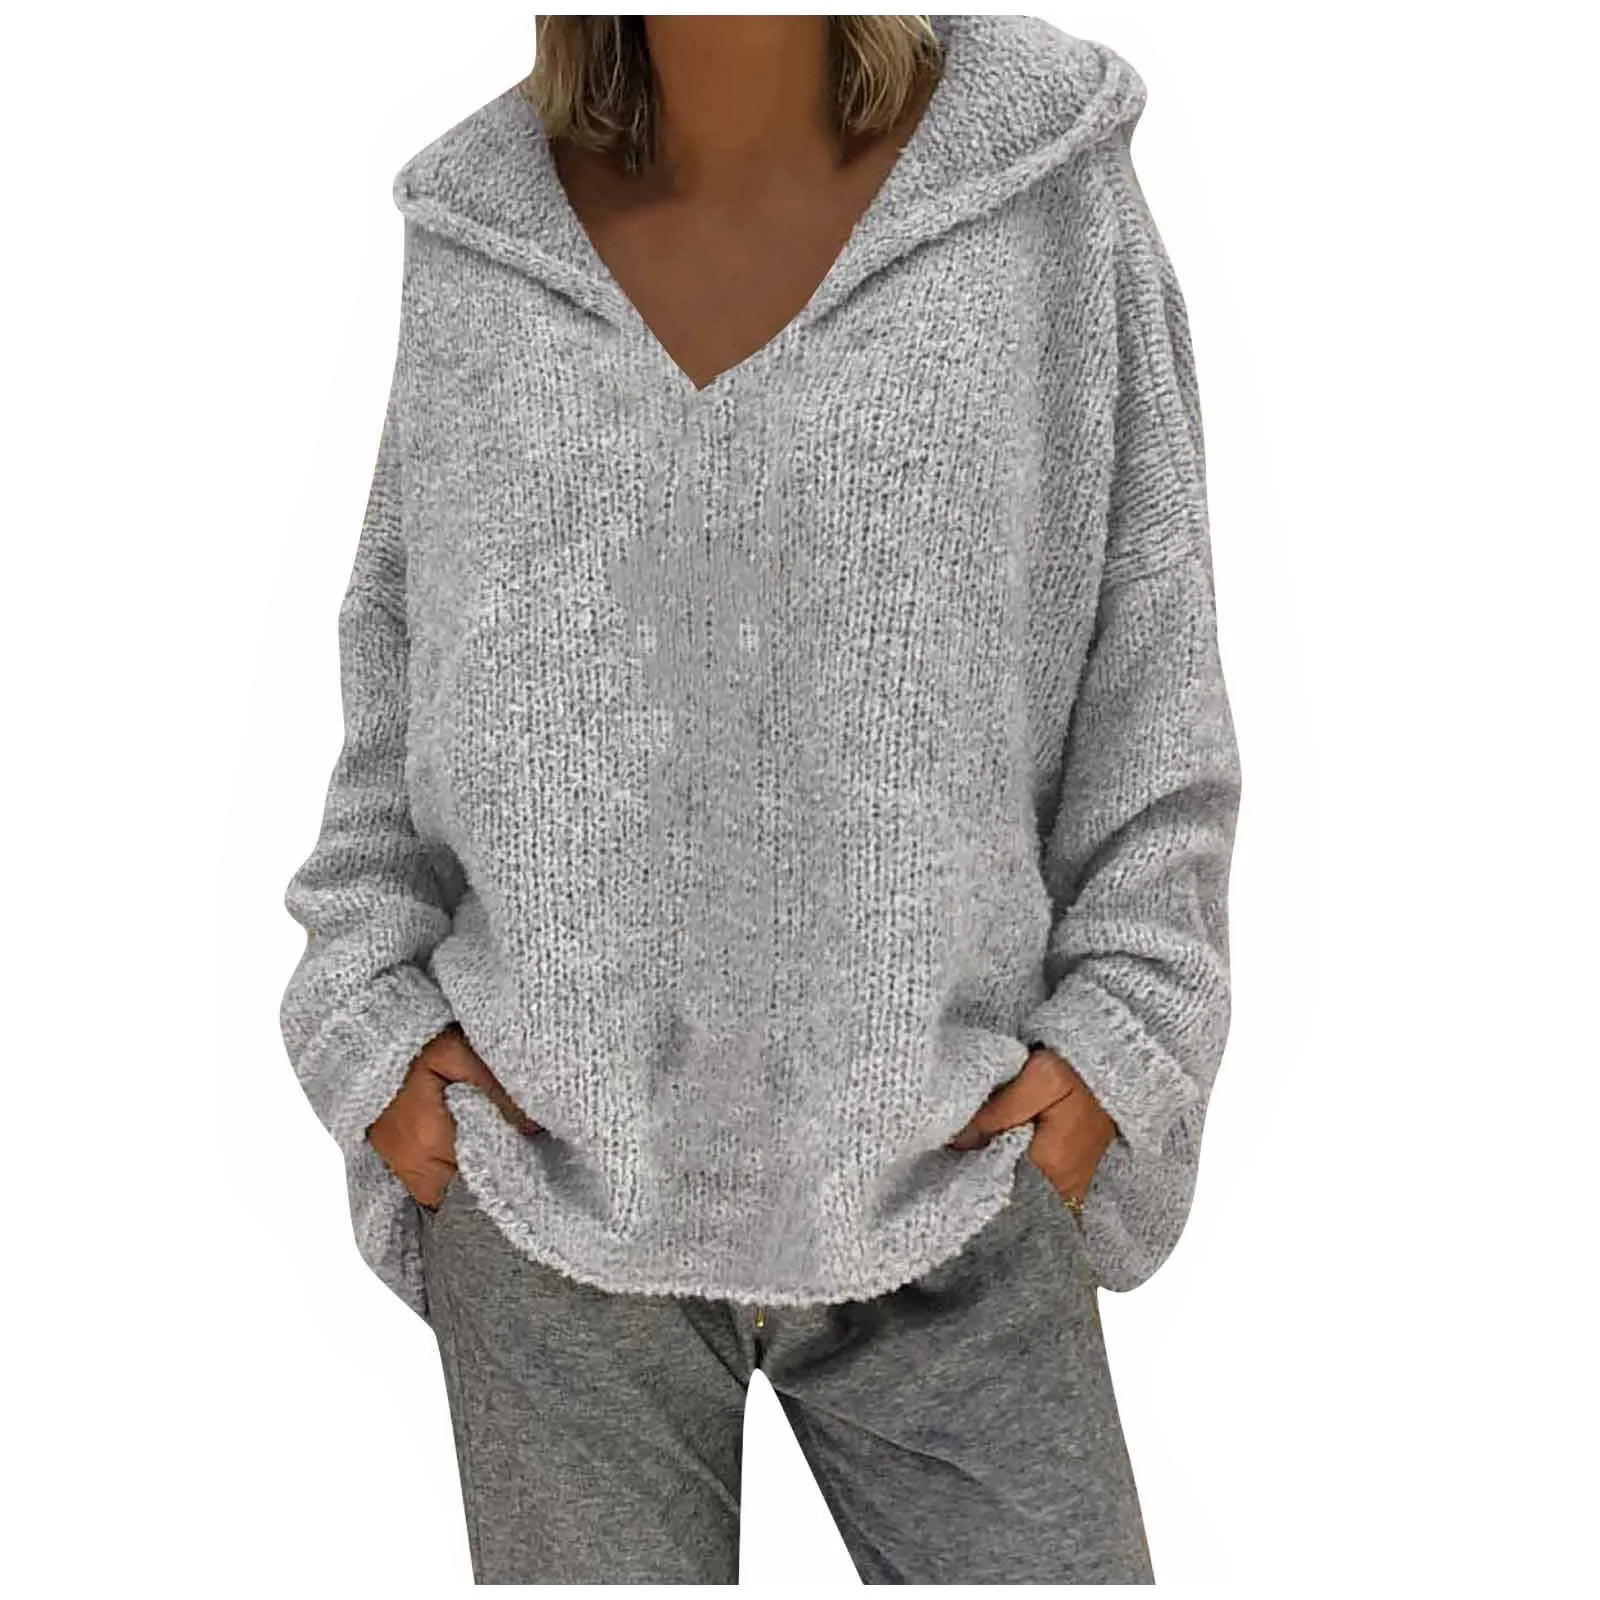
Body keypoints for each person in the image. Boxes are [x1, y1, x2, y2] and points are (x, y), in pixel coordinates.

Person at [279, 13, 1241, 1585]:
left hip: (960, 1169)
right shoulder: (477, 232)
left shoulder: (1039, 181)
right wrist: (368, 1026)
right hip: (545, 1197)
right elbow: (400, 679)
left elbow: (1150, 648)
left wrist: (1130, 1031)